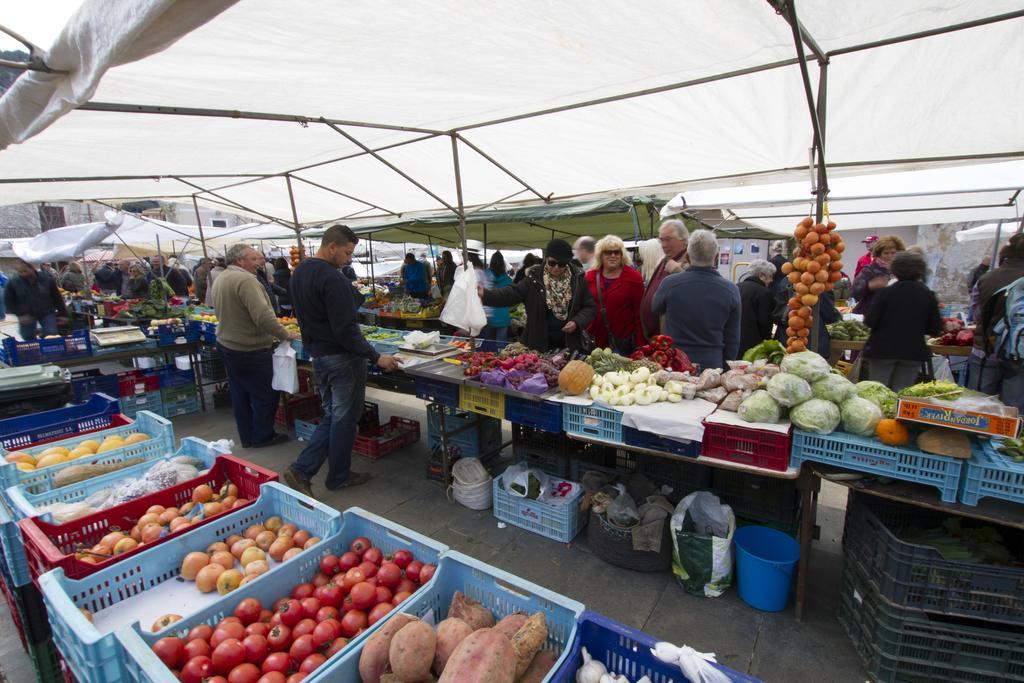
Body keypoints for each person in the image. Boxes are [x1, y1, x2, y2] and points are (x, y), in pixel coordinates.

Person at [282, 225, 401, 496]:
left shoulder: (301, 272)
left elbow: (312, 314)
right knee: (343, 417)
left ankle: (338, 474)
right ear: (332, 246)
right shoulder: (332, 278)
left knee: (334, 415)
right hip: (341, 358)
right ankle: (304, 469)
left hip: (318, 354)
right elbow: (346, 330)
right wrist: (375, 356)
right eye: (347, 253)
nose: (349, 259)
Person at [211, 244, 299, 449]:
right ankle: (262, 435)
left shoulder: (222, 277)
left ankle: (247, 437)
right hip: (249, 347)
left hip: (227, 344)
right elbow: (262, 316)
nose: (260, 263)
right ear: (239, 260)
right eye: (254, 259)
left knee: (240, 393)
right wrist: (285, 334)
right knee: (265, 393)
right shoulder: (245, 280)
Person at [480, 239, 596, 352]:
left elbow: (589, 307)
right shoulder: (533, 279)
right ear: (546, 259)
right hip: (538, 345)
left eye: (561, 264)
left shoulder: (578, 279)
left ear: (567, 263)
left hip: (569, 344)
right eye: (552, 263)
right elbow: (510, 294)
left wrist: (577, 321)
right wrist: (486, 294)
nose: (556, 267)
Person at [651, 230, 740, 369]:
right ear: (716, 256)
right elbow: (733, 338)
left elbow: (655, 308)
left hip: (675, 364)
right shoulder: (731, 290)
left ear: (687, 256)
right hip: (712, 366)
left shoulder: (670, 284)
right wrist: (726, 367)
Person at [863, 252, 942, 391]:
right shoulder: (928, 295)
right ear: (920, 271)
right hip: (912, 352)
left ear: (895, 270)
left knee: (877, 392)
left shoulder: (885, 293)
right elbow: (935, 329)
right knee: (901, 393)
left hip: (882, 350)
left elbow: (869, 321)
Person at [970, 233, 1024, 409]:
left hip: (986, 349)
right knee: (1013, 408)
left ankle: (978, 436)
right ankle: (1007, 436)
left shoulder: (986, 278)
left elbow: (977, 314)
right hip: (1019, 354)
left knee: (978, 405)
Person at [585, 235, 643, 354]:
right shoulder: (589, 277)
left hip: (623, 345)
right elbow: (583, 307)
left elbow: (639, 314)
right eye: (608, 252)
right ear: (600, 255)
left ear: (622, 255)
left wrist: (640, 346)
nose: (613, 256)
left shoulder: (634, 277)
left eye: (617, 252)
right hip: (595, 344)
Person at [640, 220, 689, 338]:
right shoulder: (665, 260)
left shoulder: (691, 260)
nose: (664, 245)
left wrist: (678, 272)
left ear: (683, 239)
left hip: (673, 339)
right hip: (656, 338)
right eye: (661, 240)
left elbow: (695, 292)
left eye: (668, 239)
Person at [4, 260, 68, 340]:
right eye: (20, 272)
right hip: (26, 314)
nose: (23, 274)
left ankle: (50, 350)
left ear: (32, 268)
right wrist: (20, 314)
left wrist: (63, 314)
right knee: (27, 336)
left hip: (46, 312)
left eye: (25, 271)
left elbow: (57, 297)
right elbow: (8, 301)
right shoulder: (13, 282)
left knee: (51, 334)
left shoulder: (46, 279)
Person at [852, 235, 905, 317]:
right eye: (886, 253)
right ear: (879, 254)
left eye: (893, 253)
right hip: (870, 314)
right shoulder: (870, 270)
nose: (890, 256)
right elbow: (855, 292)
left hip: (893, 314)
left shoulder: (902, 270)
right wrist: (870, 286)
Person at [738, 259, 777, 358]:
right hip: (753, 344)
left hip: (735, 340)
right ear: (761, 275)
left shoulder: (736, 287)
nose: (771, 280)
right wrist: (768, 341)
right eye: (770, 276)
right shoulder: (764, 293)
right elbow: (764, 322)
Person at [480, 252, 514, 342]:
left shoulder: (485, 276)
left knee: (486, 346)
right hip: (503, 316)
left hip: (488, 315)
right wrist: (509, 309)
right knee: (501, 347)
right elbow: (513, 300)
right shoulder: (508, 280)